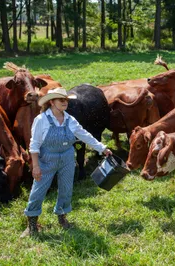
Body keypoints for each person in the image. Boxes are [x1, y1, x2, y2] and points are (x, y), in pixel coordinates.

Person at [21, 87, 112, 238]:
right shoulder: (41, 120)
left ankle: (62, 218)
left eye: (66, 100)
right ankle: (31, 223)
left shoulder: (70, 120)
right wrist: (36, 166)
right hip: (47, 158)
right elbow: (34, 144)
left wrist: (102, 148)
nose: (65, 103)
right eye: (61, 100)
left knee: (66, 188)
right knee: (39, 189)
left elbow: (84, 135)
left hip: (68, 158)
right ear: (51, 102)